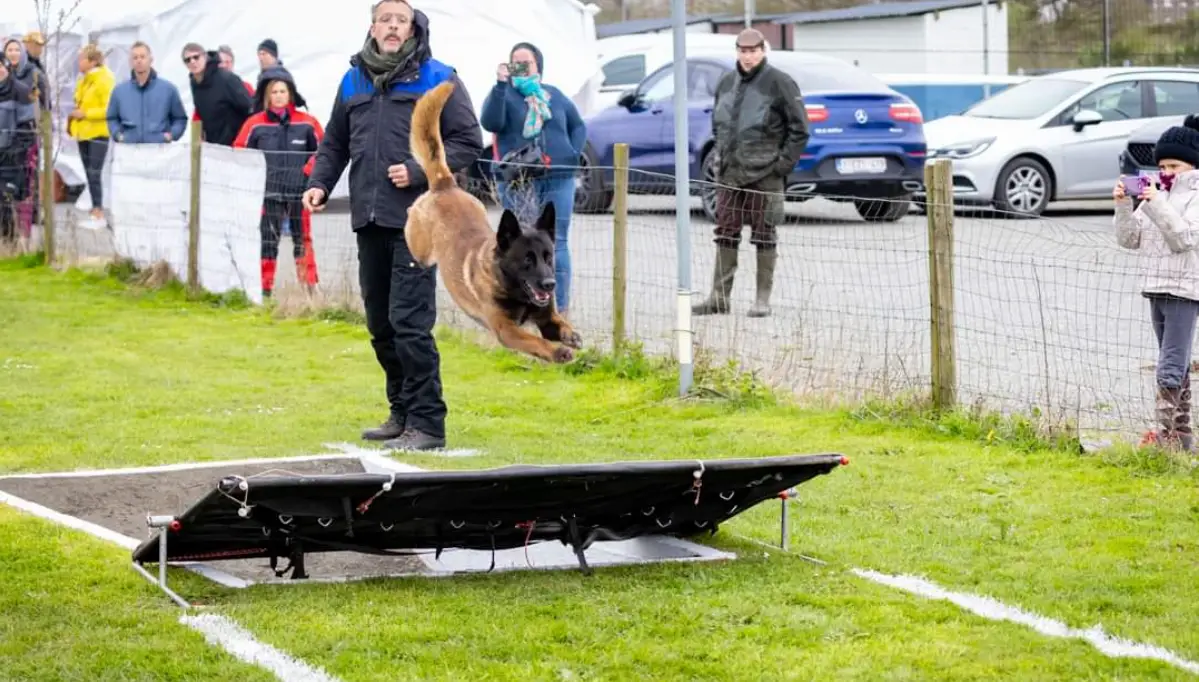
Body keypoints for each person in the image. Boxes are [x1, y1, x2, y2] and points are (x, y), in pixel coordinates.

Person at [302, 0, 484, 451]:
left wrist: (420, 170)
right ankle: (401, 412)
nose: (392, 26)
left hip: (418, 223)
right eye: (385, 19)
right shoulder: (354, 78)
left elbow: (468, 141)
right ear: (373, 26)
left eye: (400, 20)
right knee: (381, 324)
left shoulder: (439, 76)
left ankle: (428, 424)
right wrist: (320, 184)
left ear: (412, 28)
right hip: (369, 217)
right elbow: (335, 143)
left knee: (410, 323)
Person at [692, 28, 810, 319]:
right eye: (742, 51)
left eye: (753, 51)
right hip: (729, 173)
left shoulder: (779, 82)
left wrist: (782, 166)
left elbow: (800, 130)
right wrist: (721, 154)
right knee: (725, 233)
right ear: (737, 52)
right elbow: (719, 124)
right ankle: (719, 297)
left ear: (763, 50)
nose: (747, 56)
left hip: (765, 173)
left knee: (765, 234)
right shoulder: (727, 82)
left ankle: (762, 300)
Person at [481, 41, 586, 316]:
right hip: (519, 178)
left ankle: (558, 309)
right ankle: (520, 306)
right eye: (515, 62)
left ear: (538, 65)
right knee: (520, 244)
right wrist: (500, 85)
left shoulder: (554, 96)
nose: (521, 67)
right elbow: (490, 121)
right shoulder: (504, 94)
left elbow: (578, 125)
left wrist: (573, 152)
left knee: (557, 241)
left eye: (527, 63)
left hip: (558, 176)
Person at [1114, 114, 1199, 453]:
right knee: (1173, 364)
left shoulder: (1193, 196)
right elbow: (1129, 239)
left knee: (1170, 364)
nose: (1166, 171)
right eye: (1162, 164)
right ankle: (1182, 436)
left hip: (1185, 289)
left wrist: (1156, 201)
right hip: (1155, 284)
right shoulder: (1156, 193)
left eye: (1174, 165)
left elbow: (1183, 238)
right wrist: (1123, 203)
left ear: (1191, 165)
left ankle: (1164, 437)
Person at [233, 66, 322, 299]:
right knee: (267, 241)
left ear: (290, 94)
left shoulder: (308, 123)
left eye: (283, 91)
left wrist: (307, 172)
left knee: (302, 241)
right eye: (274, 92)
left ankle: (309, 290)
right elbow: (239, 152)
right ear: (267, 96)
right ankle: (264, 291)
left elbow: (323, 152)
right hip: (268, 193)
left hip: (299, 194)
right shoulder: (255, 124)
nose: (279, 96)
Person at [3, 38, 47, 246]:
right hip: (5, 149)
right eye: (8, 50)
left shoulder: (33, 74)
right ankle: (8, 239)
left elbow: (40, 107)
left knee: (24, 190)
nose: (12, 53)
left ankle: (24, 235)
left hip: (22, 146)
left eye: (15, 49)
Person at [68, 43, 116, 229]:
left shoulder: (105, 78)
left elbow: (109, 108)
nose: (79, 62)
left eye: (82, 59)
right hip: (83, 132)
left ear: (93, 61)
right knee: (89, 172)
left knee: (95, 172)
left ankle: (98, 209)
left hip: (97, 131)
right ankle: (95, 208)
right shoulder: (84, 79)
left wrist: (86, 114)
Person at [106, 42, 188, 144]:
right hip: (128, 151)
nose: (139, 60)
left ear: (151, 59)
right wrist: (118, 135)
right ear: (130, 62)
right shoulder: (119, 91)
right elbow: (112, 118)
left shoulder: (168, 89)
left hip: (159, 150)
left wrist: (170, 135)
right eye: (135, 58)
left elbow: (180, 118)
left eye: (142, 57)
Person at [182, 43, 252, 146]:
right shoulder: (194, 83)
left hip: (235, 146)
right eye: (187, 60)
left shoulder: (227, 78)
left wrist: (241, 140)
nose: (192, 62)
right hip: (213, 146)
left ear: (205, 57)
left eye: (196, 57)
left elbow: (250, 108)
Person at [0, 55, 34, 246]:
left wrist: (13, 152)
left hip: (10, 159)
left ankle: (9, 244)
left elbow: (27, 129)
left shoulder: (20, 91)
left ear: (7, 68)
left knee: (6, 202)